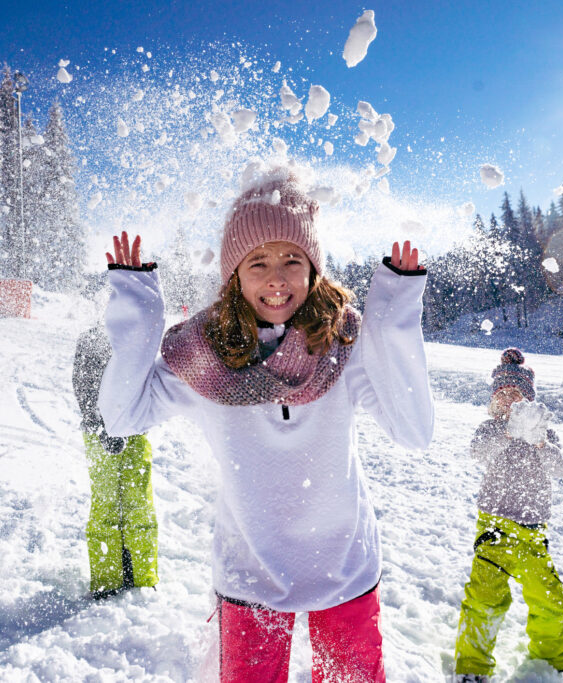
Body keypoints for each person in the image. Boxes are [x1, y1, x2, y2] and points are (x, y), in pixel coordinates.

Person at [98, 168, 433, 681]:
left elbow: (414, 430)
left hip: (343, 565)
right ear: (234, 274)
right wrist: (136, 306)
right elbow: (122, 415)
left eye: (291, 260)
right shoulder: (202, 354)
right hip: (250, 571)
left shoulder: (345, 343)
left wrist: (396, 311)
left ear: (313, 269)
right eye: (258, 262)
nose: (276, 277)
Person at [453, 348, 563, 680]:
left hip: (532, 531)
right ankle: (473, 664)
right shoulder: (490, 430)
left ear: (529, 401)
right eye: (504, 395)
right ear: (495, 401)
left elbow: (562, 467)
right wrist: (507, 433)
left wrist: (540, 443)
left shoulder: (544, 436)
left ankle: (551, 652)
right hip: (494, 527)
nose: (510, 401)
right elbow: (477, 452)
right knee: (484, 599)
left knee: (548, 597)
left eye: (517, 395)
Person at [73, 320, 159, 599]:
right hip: (100, 435)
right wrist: (102, 426)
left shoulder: (139, 336)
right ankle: (107, 579)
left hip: (135, 431)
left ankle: (142, 576)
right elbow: (84, 386)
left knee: (139, 503)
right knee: (106, 504)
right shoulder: (93, 339)